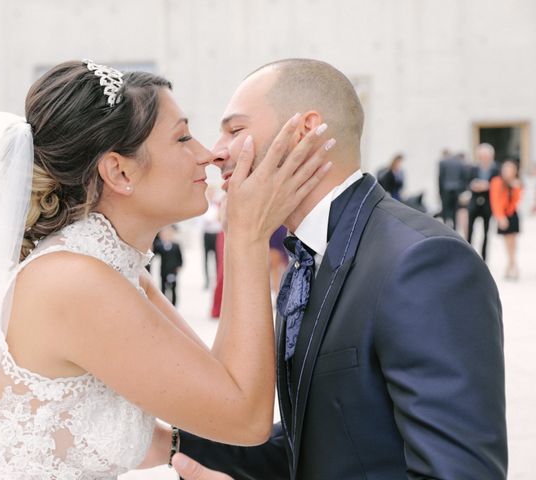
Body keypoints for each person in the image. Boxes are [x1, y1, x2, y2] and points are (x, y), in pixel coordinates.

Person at [0, 60, 334, 479]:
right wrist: (247, 236)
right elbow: (243, 418)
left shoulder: (116, 267)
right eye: (183, 139)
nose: (207, 155)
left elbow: (215, 386)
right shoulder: (74, 282)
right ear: (119, 171)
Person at [171, 58, 507, 480]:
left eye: (235, 130)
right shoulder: (309, 255)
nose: (215, 151)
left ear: (305, 131)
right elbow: (316, 445)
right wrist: (164, 440)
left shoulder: (423, 263)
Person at [490, 159, 523, 279]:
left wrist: (516, 188)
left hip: (512, 214)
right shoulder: (496, 181)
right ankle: (512, 264)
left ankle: (511, 264)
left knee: (513, 241)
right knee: (507, 241)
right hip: (502, 215)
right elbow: (495, 201)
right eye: (506, 168)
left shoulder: (517, 183)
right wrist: (500, 217)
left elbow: (516, 201)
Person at [467, 143, 500, 261]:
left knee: (486, 232)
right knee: (470, 231)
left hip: (487, 203)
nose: (484, 158)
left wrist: (489, 186)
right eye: (482, 156)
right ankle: (468, 255)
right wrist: (473, 185)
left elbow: (499, 185)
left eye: (486, 156)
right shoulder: (473, 168)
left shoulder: (496, 168)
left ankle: (484, 259)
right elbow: (466, 182)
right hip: (474, 202)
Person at [153, 224, 184, 305]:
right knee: (163, 288)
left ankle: (174, 304)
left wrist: (179, 266)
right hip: (163, 270)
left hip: (173, 270)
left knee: (173, 289)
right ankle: (163, 304)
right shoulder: (160, 246)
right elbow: (154, 254)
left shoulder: (176, 246)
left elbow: (180, 257)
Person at [200, 186, 223, 288]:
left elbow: (219, 220)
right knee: (206, 258)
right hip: (207, 234)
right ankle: (207, 281)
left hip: (216, 234)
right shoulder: (204, 205)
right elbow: (202, 220)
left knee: (217, 258)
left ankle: (217, 280)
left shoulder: (217, 205)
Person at [438, 151, 467, 229]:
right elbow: (463, 177)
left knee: (445, 210)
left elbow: (440, 178)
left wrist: (440, 191)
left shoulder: (442, 162)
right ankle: (454, 228)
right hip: (456, 189)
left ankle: (445, 227)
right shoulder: (459, 163)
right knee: (455, 210)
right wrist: (461, 190)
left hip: (446, 189)